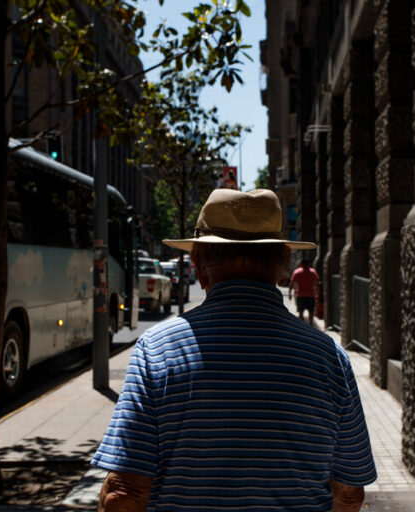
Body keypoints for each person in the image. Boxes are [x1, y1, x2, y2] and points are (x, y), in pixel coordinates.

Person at [92, 189, 378, 512]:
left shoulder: (155, 351)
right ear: (285, 261)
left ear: (198, 265)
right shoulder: (329, 358)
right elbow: (351, 491)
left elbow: (124, 493)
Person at [289, 258, 320, 324]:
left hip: (300, 295)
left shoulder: (297, 272)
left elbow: (291, 283)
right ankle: (310, 323)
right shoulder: (313, 272)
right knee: (311, 311)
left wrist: (290, 294)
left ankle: (301, 324)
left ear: (301, 264)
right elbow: (317, 284)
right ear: (308, 264)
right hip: (310, 295)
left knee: (300, 311)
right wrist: (317, 294)